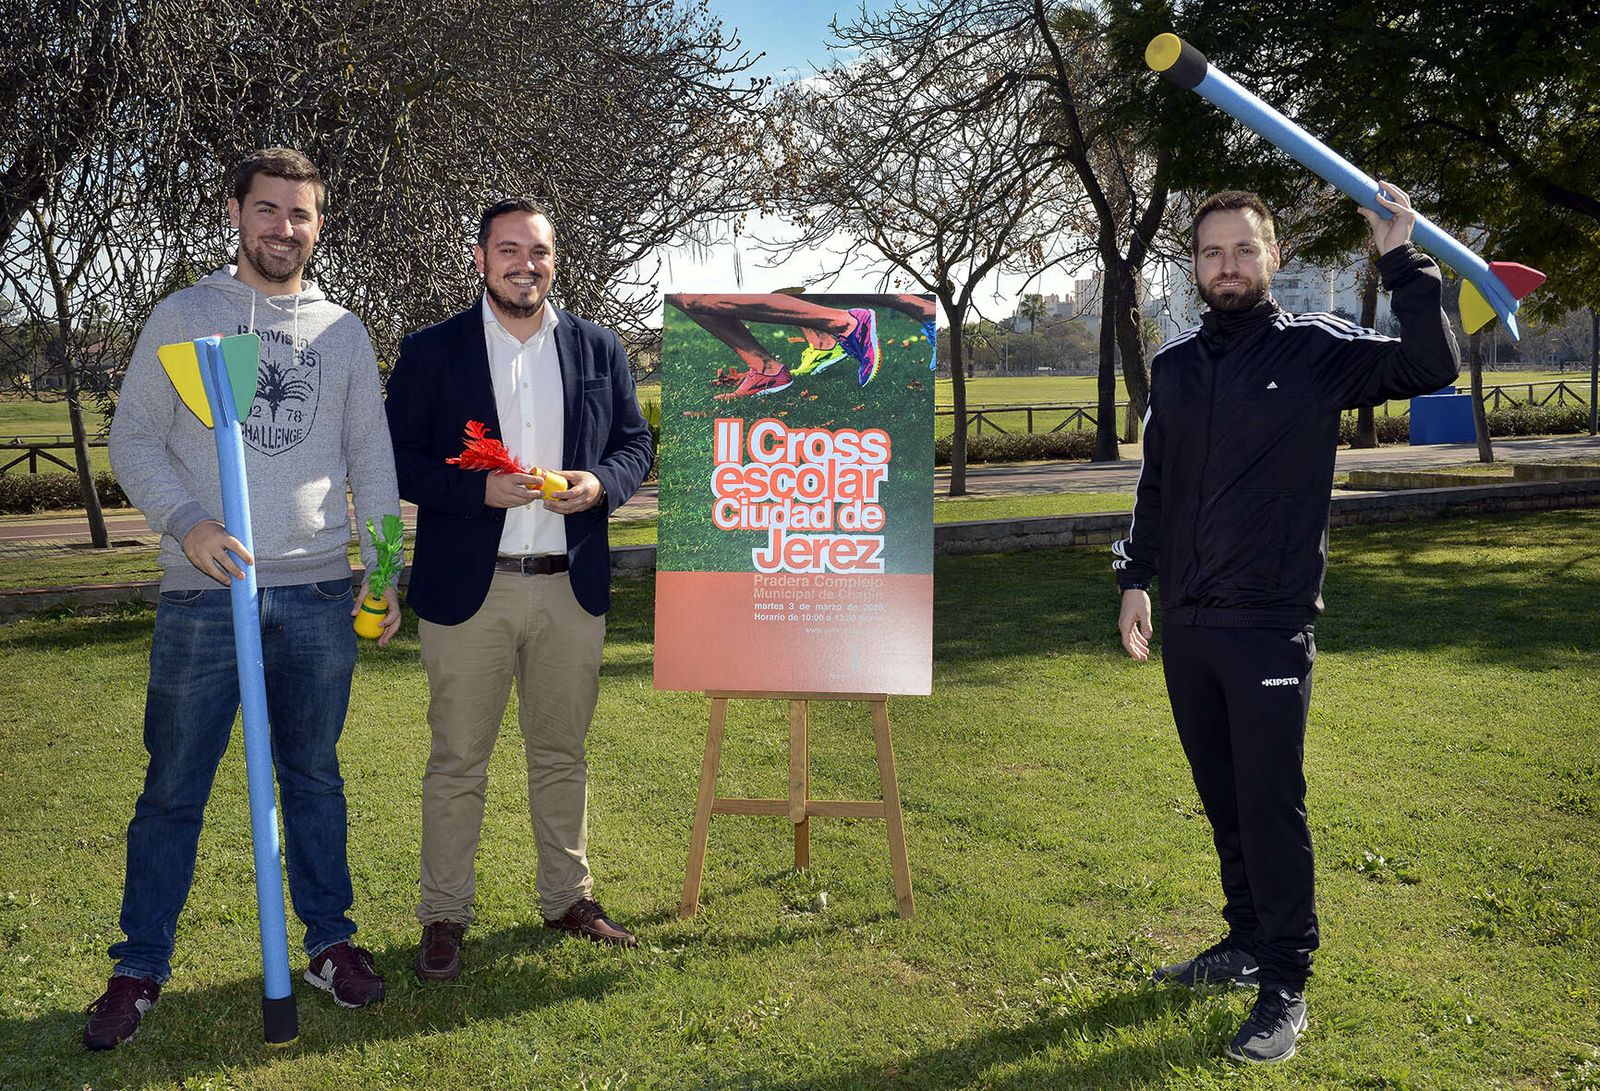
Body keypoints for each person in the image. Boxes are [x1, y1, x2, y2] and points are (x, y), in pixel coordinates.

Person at [1112, 186, 1459, 1064]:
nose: (1226, 265)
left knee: (1269, 802)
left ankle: (1286, 981)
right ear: (1193, 267)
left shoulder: (1315, 350)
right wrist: (1136, 580)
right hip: (1186, 621)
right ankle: (1242, 940)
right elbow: (1158, 485)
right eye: (1211, 253)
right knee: (1222, 796)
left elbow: (1430, 365)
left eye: (1243, 250)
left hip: (1268, 623)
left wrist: (1401, 257)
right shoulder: (1179, 365)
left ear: (1272, 258)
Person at [87, 147, 401, 1050]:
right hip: (204, 596)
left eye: (300, 214)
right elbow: (135, 439)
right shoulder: (184, 317)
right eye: (268, 211)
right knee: (173, 787)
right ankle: (139, 965)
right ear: (235, 212)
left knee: (314, 779)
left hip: (313, 593)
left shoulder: (341, 331)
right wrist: (189, 522)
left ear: (319, 222)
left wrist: (381, 575)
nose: (283, 229)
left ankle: (330, 943)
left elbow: (372, 465)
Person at [385, 198, 654, 981]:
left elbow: (637, 443)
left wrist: (600, 482)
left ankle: (568, 896)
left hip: (571, 588)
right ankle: (444, 913)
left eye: (537, 251)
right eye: (508, 250)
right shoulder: (432, 351)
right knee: (458, 759)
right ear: (479, 258)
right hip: (473, 592)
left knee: (562, 753)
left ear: (554, 261)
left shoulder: (599, 348)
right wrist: (477, 493)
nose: (523, 264)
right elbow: (397, 458)